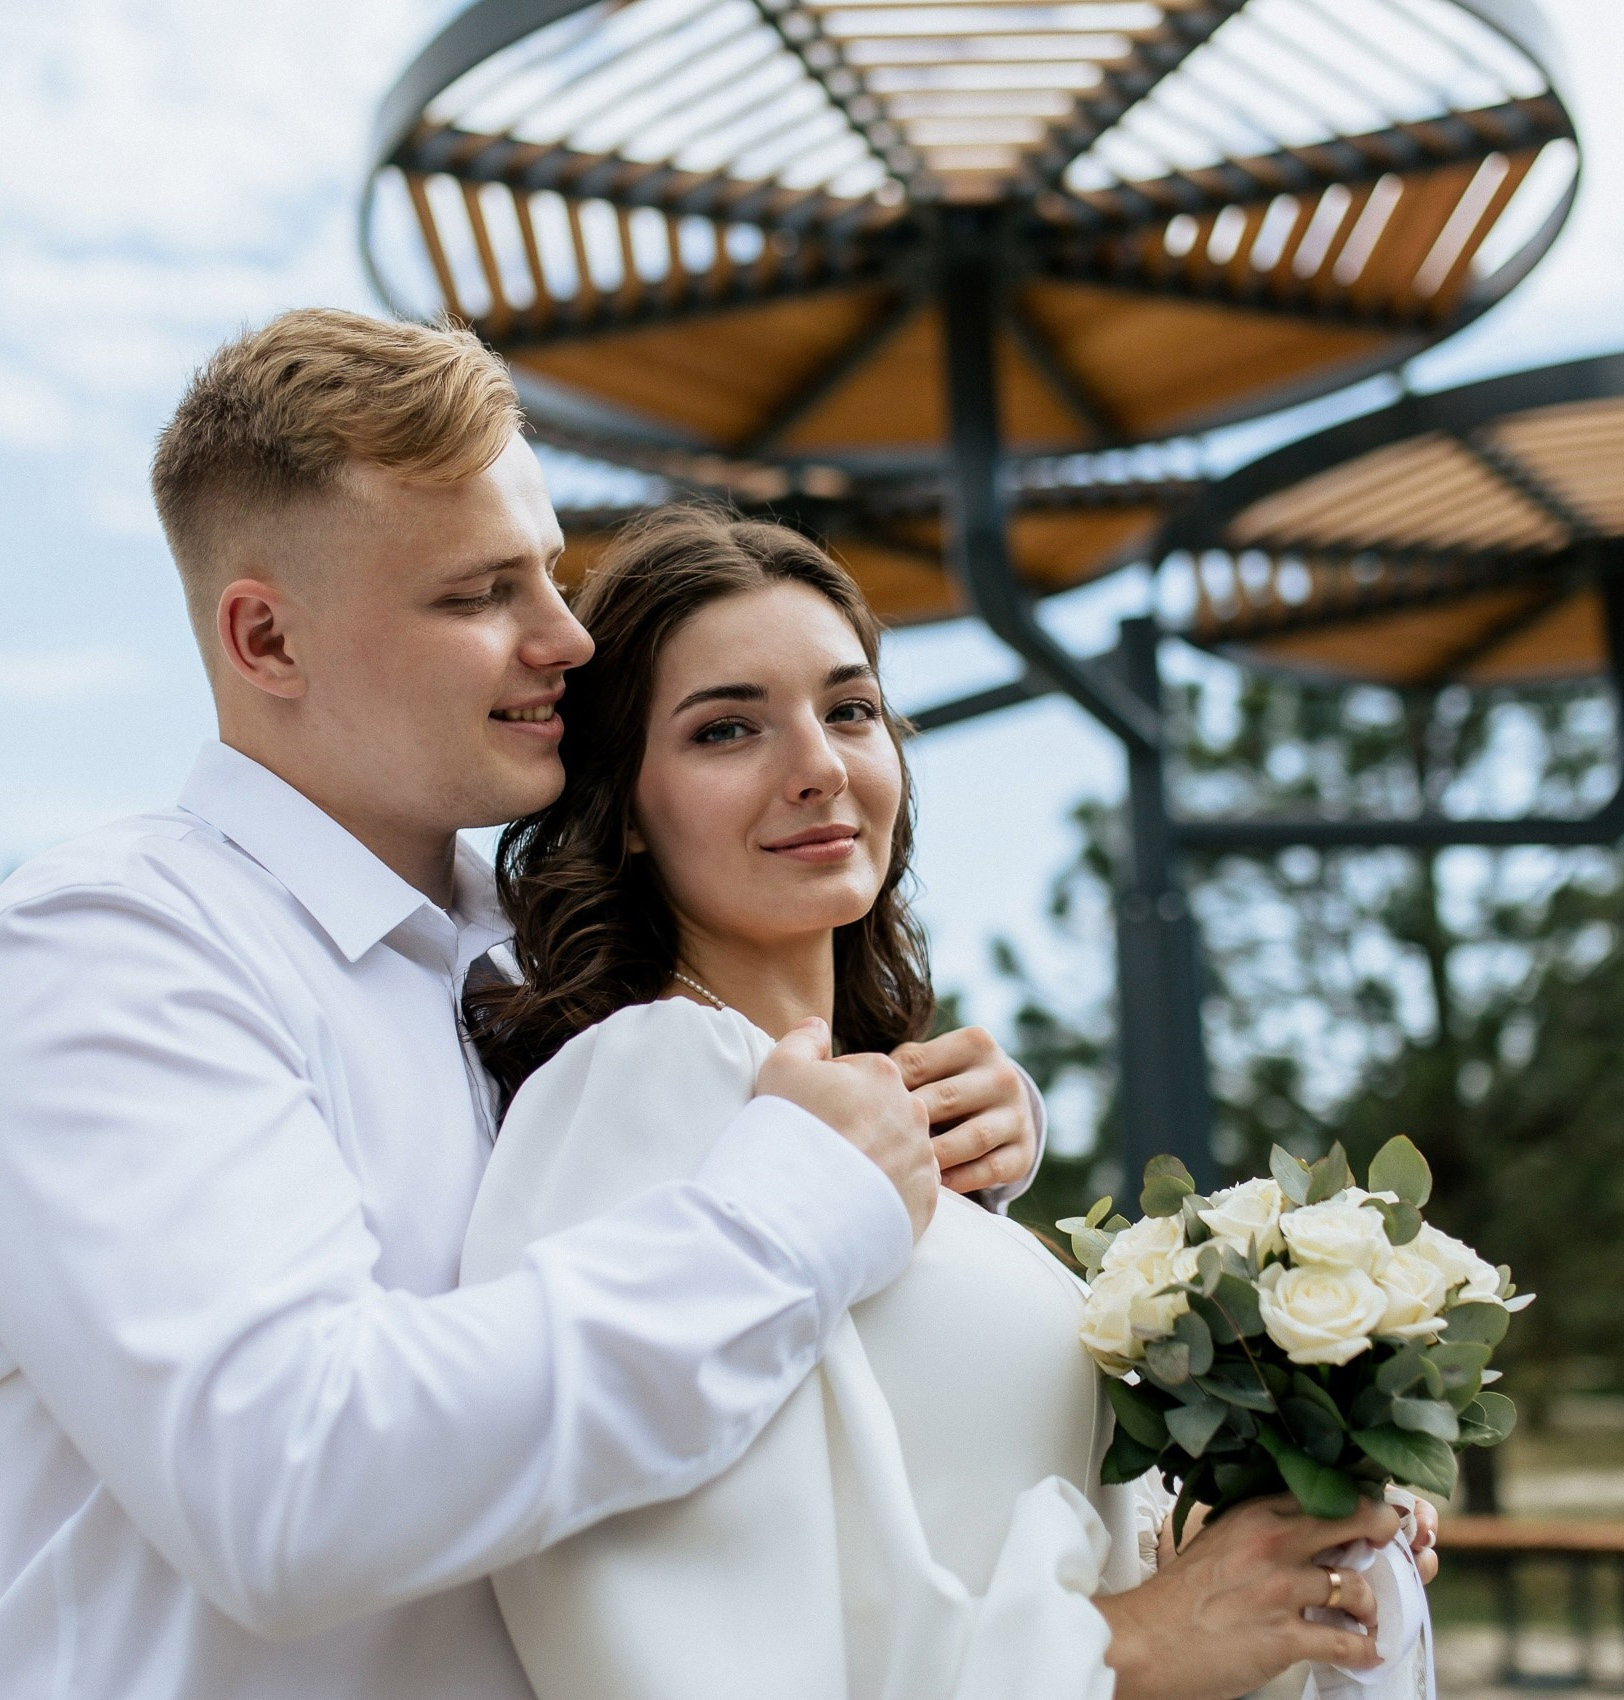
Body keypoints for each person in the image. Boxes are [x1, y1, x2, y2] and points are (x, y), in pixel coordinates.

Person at [0, 309, 1046, 1699]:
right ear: (265, 639)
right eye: (478, 596)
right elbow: (291, 1489)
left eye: (550, 577)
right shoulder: (112, 955)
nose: (564, 637)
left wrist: (948, 1166)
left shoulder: (556, 958)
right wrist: (801, 1207)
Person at [460, 505, 1427, 1700]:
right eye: (726, 728)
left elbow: (985, 1510)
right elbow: (685, 1637)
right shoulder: (647, 1081)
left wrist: (1271, 1540)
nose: (818, 765)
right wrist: (1135, 1643)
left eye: (850, 708)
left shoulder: (899, 1124)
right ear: (628, 811)